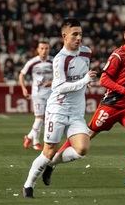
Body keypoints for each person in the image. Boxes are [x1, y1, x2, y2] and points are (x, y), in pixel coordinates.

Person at [46, 21, 125, 187]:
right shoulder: (118, 55)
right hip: (112, 105)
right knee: (85, 135)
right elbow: (104, 79)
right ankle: (52, 162)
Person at [22, 18, 97, 198]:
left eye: (80, 34)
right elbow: (59, 87)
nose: (79, 38)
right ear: (64, 36)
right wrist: (84, 81)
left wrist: (85, 84)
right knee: (48, 151)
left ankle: (52, 164)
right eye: (74, 35)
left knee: (82, 149)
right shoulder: (60, 59)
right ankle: (28, 185)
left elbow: (81, 76)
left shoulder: (86, 53)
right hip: (58, 110)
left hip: (77, 112)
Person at [19, 39, 53, 151]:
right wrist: (24, 89)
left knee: (46, 119)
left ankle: (30, 138)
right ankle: (35, 142)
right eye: (42, 48)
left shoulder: (54, 61)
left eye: (46, 48)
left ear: (49, 49)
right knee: (39, 118)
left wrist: (52, 82)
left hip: (51, 94)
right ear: (38, 50)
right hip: (37, 94)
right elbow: (21, 75)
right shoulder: (32, 62)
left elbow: (60, 76)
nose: (44, 51)